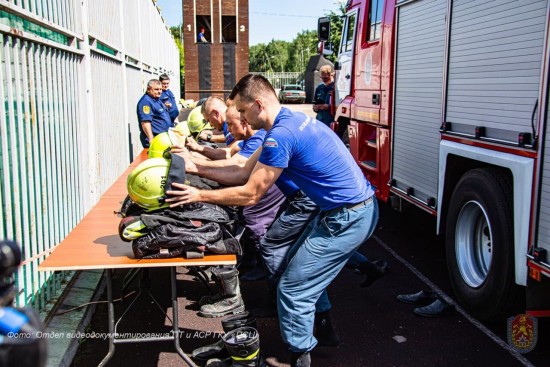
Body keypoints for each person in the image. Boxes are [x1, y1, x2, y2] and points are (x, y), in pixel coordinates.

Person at [166, 74, 378, 367]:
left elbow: (250, 194)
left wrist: (199, 195)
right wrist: (196, 168)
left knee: (292, 287)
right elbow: (241, 173)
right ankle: (325, 329)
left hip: (350, 216)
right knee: (294, 269)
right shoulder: (284, 122)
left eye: (241, 111)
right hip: (340, 210)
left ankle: (299, 357)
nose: (239, 118)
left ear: (258, 104)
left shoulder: (280, 136)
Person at [136, 79, 173, 148]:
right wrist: (151, 139)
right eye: (156, 89)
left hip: (162, 139)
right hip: (155, 140)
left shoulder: (156, 99)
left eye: (160, 89)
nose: (159, 92)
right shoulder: (146, 102)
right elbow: (145, 122)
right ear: (148, 89)